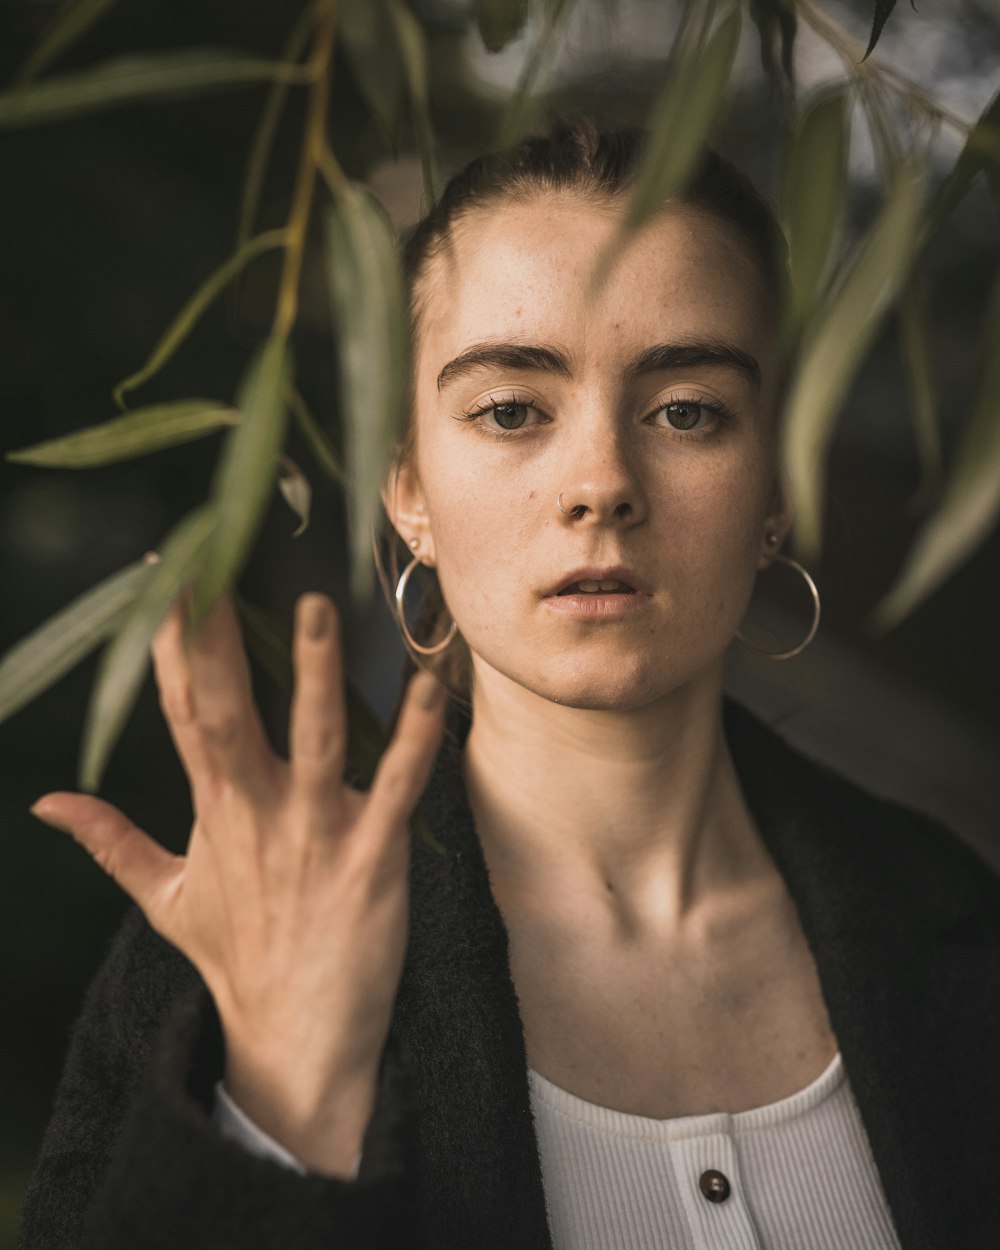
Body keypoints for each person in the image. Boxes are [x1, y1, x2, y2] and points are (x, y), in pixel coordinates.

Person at [17, 120, 1000, 1250]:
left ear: (773, 482)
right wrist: (282, 1102)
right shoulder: (242, 956)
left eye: (686, 409)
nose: (601, 483)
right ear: (407, 488)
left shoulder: (949, 915)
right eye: (510, 410)